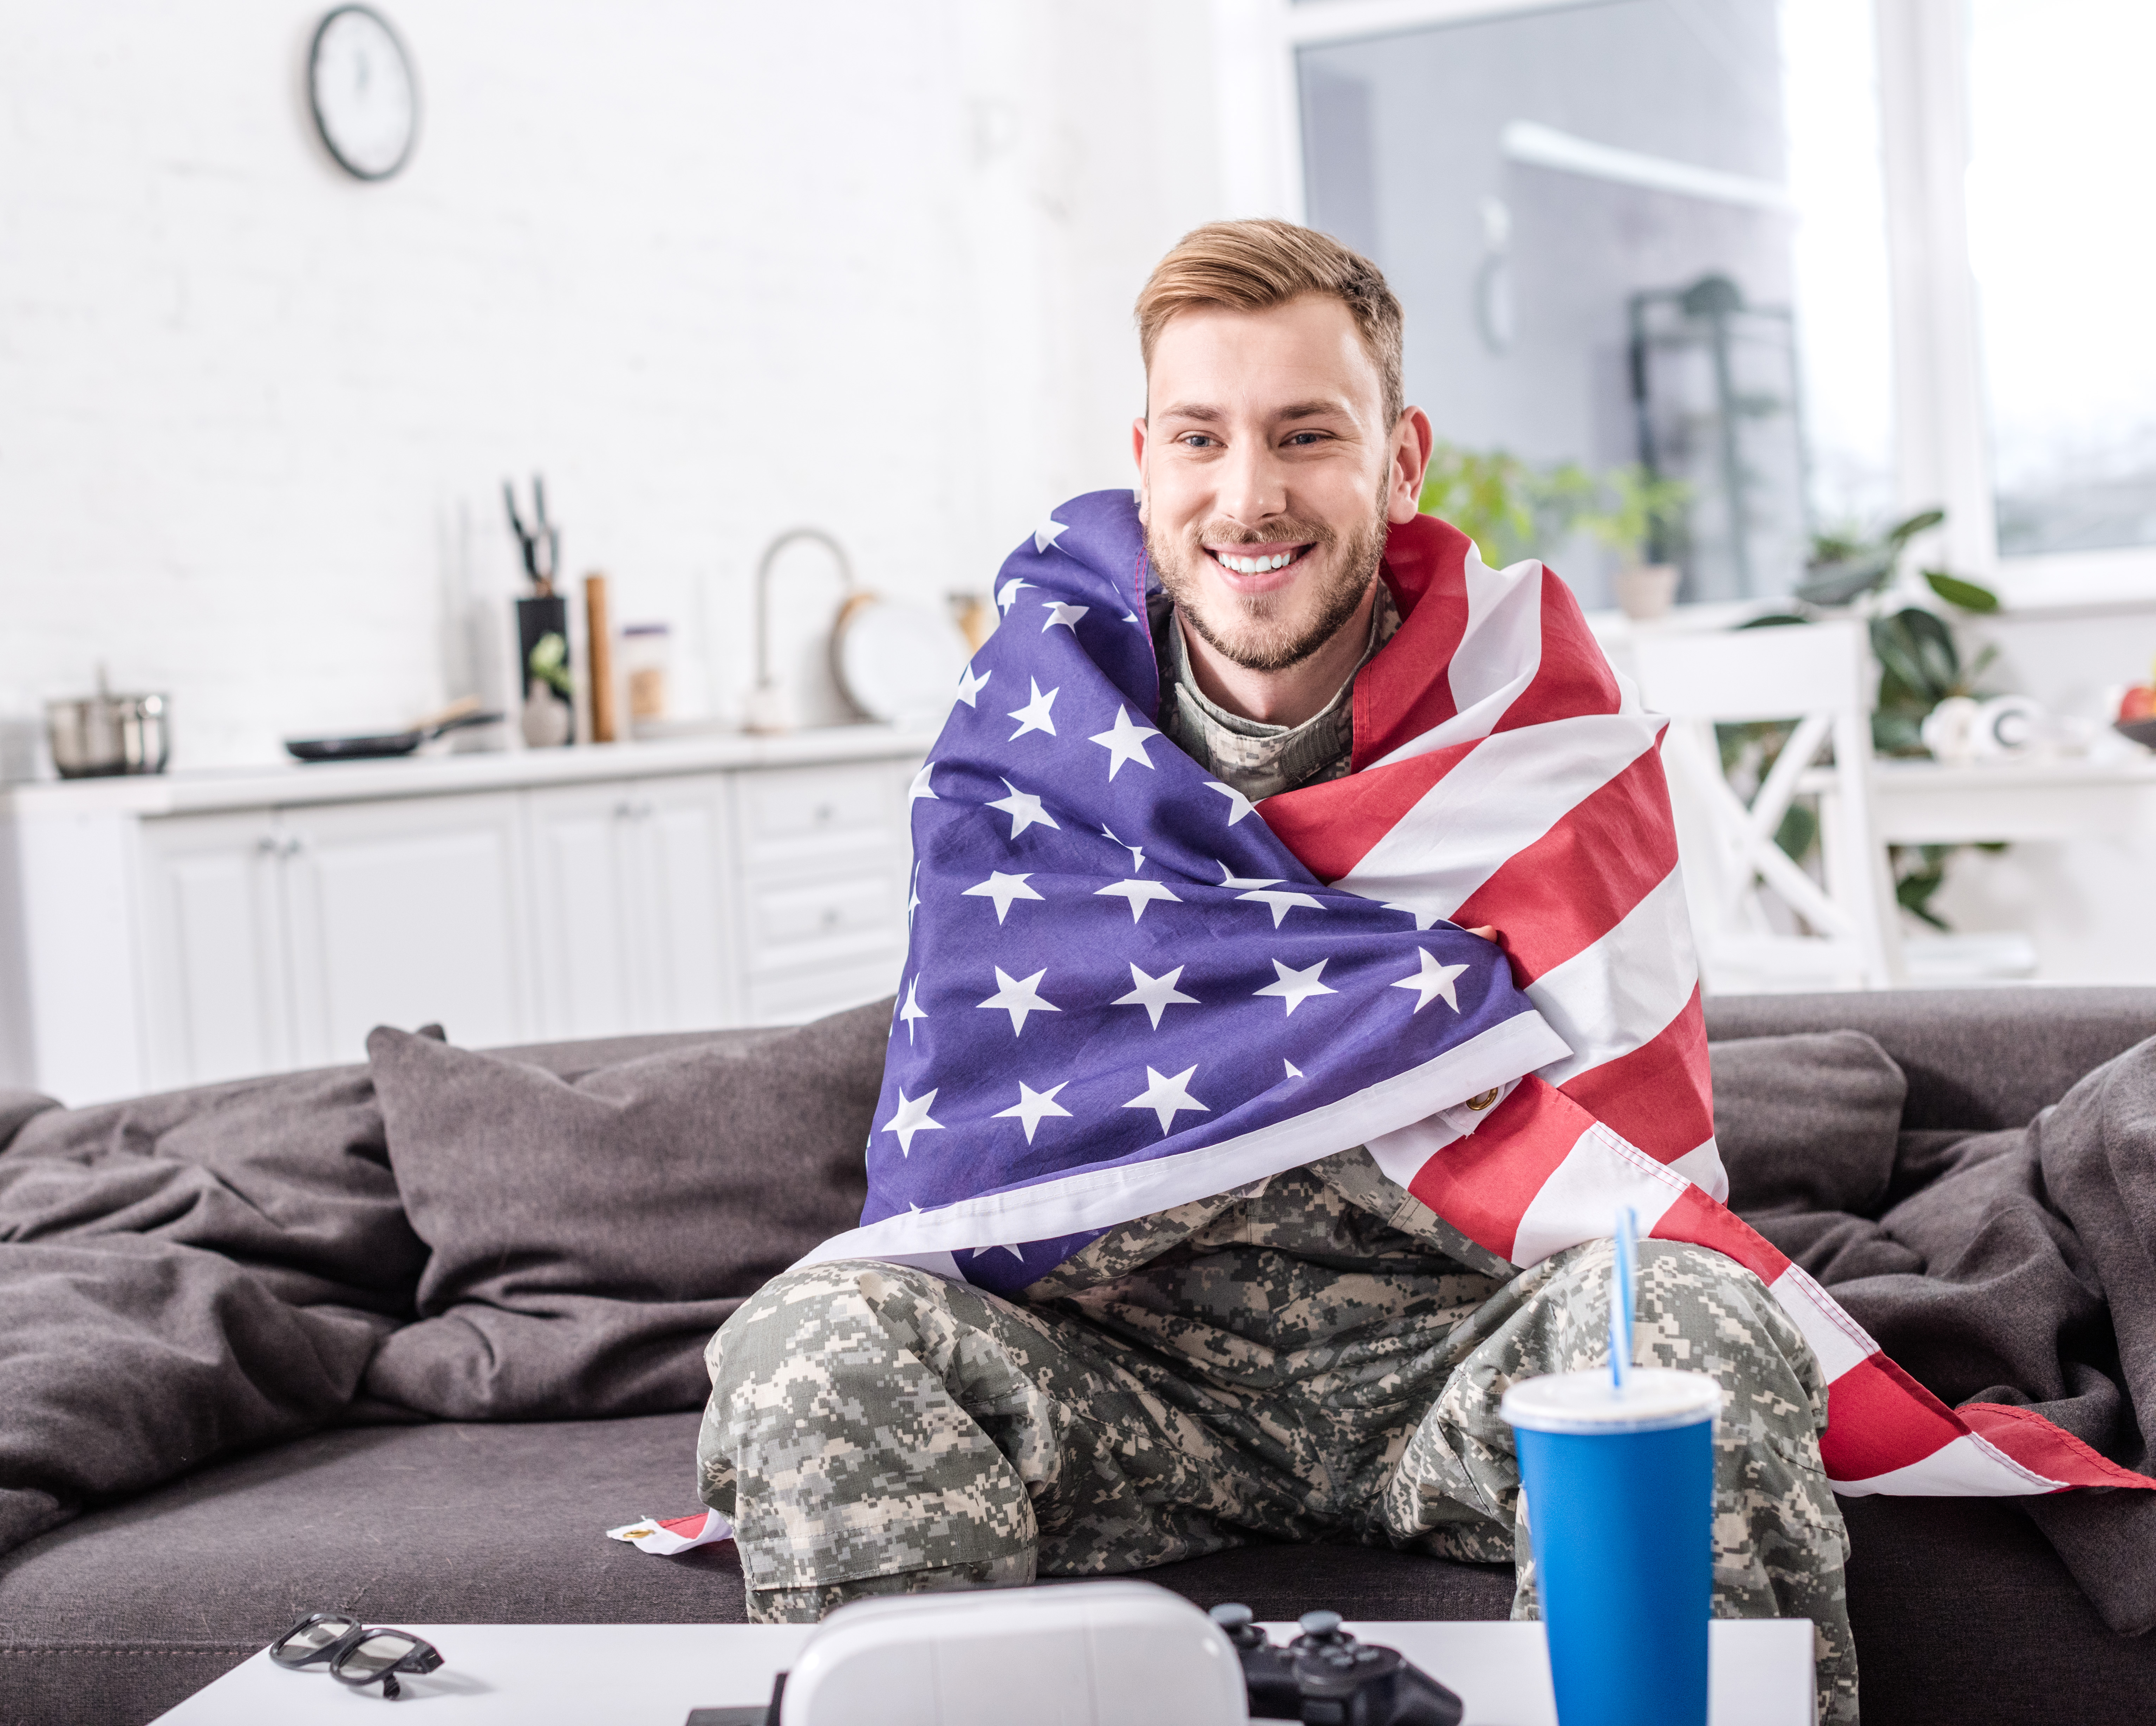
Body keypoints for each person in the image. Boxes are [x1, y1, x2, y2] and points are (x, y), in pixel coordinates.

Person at [694, 220, 1857, 1725]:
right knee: (807, 1349)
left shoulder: (1537, 735)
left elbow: (1630, 1185)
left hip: (1462, 1353)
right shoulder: (1028, 743)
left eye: (1305, 435)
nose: (1248, 496)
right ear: (1144, 460)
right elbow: (976, 1148)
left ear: (1399, 460)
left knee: (1703, 1325)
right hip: (1125, 1368)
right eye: (1201, 438)